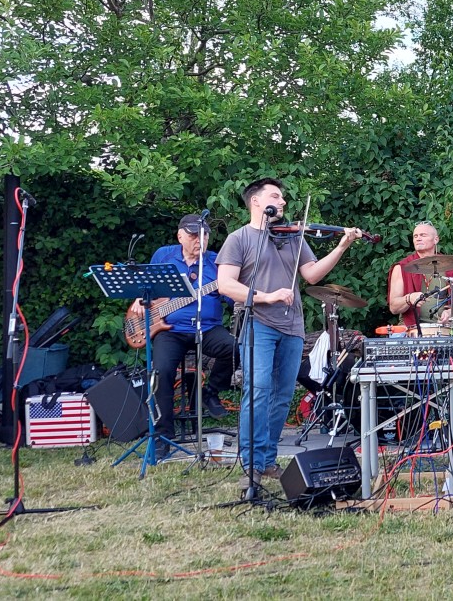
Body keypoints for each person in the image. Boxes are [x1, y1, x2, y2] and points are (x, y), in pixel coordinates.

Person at [215, 178, 364, 485]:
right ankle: (252, 463)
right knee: (258, 390)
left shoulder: (292, 237)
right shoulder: (239, 238)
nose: (282, 202)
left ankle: (268, 461)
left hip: (292, 325)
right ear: (256, 201)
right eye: (275, 196)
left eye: (282, 197)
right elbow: (226, 284)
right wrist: (266, 296)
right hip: (257, 323)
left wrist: (341, 246)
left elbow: (312, 275)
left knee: (283, 395)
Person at [129, 213, 235, 459]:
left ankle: (210, 393)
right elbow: (146, 287)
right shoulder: (163, 256)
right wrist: (139, 298)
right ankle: (163, 436)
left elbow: (230, 296)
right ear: (180, 236)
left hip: (207, 328)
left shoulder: (217, 262)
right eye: (194, 235)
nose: (200, 240)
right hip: (170, 330)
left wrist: (238, 293)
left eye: (204, 236)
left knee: (233, 348)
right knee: (161, 372)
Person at [386, 221, 453, 331]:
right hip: (409, 328)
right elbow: (394, 307)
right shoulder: (401, 267)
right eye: (415, 236)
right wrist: (409, 299)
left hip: (443, 328)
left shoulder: (450, 267)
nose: (418, 239)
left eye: (423, 235)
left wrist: (450, 312)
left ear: (436, 239)